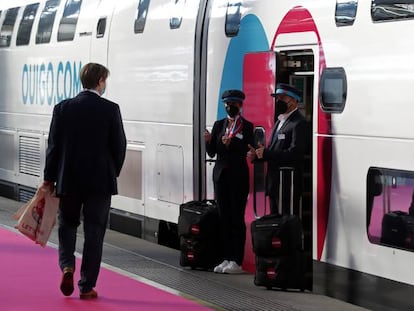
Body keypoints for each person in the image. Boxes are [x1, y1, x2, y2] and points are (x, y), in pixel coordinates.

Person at [41, 63, 127, 299]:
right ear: (100, 80)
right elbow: (119, 147)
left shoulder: (62, 108)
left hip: (68, 180)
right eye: (105, 80)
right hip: (100, 183)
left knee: (67, 225)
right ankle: (87, 285)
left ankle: (67, 265)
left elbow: (53, 148)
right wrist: (112, 172)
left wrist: (49, 178)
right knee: (94, 232)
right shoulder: (110, 109)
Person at [204, 89, 254, 274]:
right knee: (223, 217)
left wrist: (231, 143)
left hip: (238, 177)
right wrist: (209, 141)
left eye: (233, 104)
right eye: (226, 104)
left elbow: (247, 148)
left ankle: (237, 260)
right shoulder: (219, 125)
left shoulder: (247, 127)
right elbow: (212, 153)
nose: (229, 107)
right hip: (221, 176)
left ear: (240, 105)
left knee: (236, 218)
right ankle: (225, 257)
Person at [249, 83, 307, 215]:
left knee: (286, 224)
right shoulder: (279, 121)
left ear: (293, 100)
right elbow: (273, 151)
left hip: (287, 185)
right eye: (277, 98)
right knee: (275, 223)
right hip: (275, 183)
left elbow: (295, 153)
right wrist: (259, 155)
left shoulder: (299, 122)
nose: (278, 101)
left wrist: (267, 153)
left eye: (282, 98)